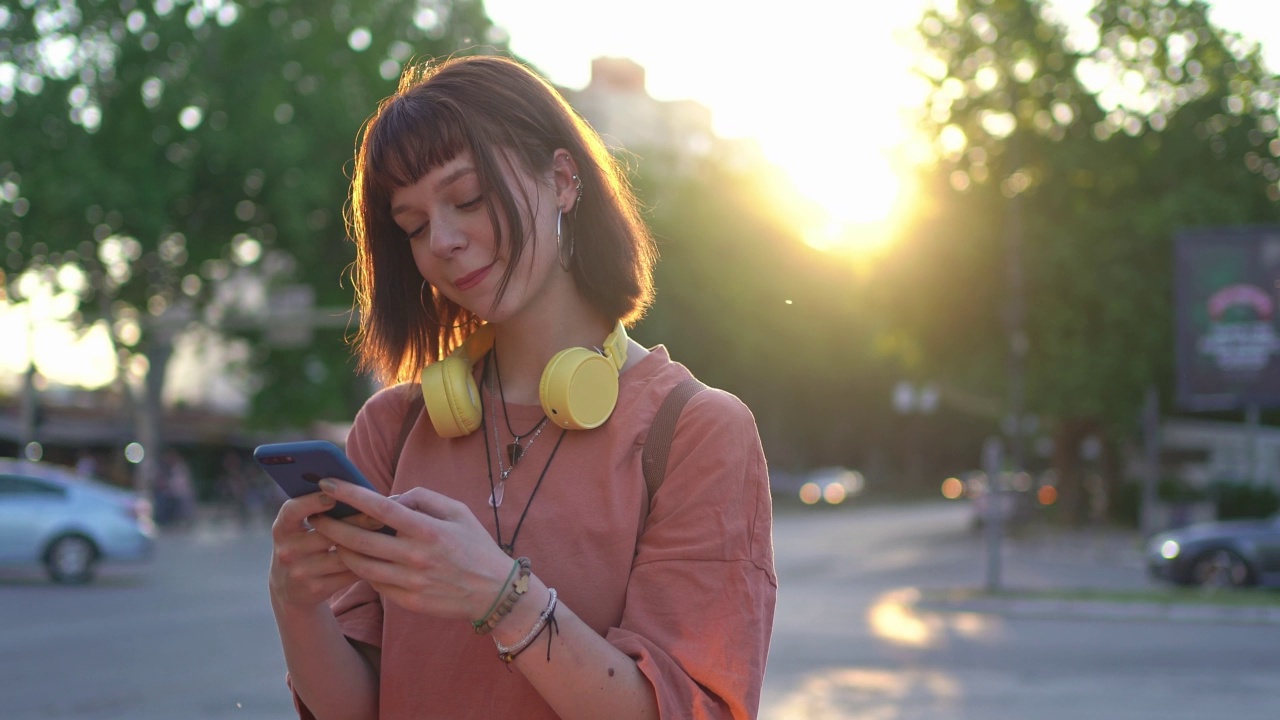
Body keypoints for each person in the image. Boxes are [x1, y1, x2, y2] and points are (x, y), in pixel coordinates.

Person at [268, 54, 776, 720]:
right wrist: (294, 604)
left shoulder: (697, 432)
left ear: (563, 180)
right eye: (414, 226)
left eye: (469, 198)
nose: (442, 241)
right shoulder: (391, 429)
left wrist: (500, 596)